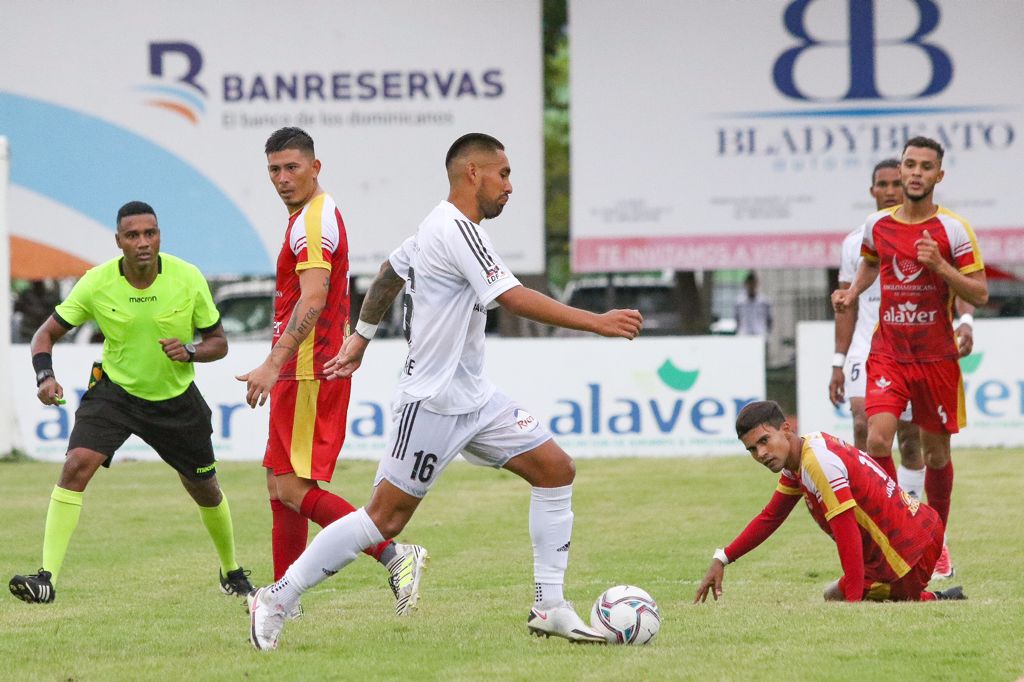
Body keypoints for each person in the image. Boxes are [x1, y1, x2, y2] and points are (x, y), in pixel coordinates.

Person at [245, 133, 644, 650]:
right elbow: (510, 296)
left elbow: (389, 273)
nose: (509, 186)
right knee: (384, 518)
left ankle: (550, 605)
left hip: (476, 399)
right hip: (431, 401)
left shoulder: (439, 226)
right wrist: (597, 322)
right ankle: (276, 598)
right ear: (472, 173)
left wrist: (362, 337)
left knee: (555, 470)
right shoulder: (455, 228)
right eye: (502, 174)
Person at [10, 201, 253, 603]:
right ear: (118, 241)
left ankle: (231, 571)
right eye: (133, 235)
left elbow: (219, 343)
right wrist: (45, 375)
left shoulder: (188, 278)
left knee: (205, 489)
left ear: (160, 236)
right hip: (115, 393)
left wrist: (191, 351)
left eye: (150, 233)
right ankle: (45, 578)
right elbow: (44, 335)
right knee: (75, 466)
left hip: (176, 400)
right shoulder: (96, 282)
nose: (144, 242)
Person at [236, 127, 427, 617]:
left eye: (292, 167)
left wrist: (273, 364)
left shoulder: (313, 223)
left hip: (305, 372)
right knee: (279, 487)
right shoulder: (308, 216)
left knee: (297, 489)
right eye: (274, 170)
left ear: (315, 167)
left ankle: (393, 554)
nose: (282, 178)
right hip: (300, 371)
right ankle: (283, 598)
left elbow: (314, 298)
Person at [832, 136, 988, 581]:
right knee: (876, 439)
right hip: (889, 354)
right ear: (900, 172)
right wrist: (852, 293)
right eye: (909, 164)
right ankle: (895, 533)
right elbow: (868, 262)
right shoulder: (876, 225)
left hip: (936, 357)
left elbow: (979, 291)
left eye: (925, 166)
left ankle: (934, 544)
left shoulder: (953, 230)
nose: (916, 172)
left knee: (935, 455)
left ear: (939, 175)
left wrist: (940, 267)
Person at [693, 401, 965, 604]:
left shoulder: (816, 463)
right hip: (920, 531)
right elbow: (771, 517)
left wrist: (853, 603)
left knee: (837, 596)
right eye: (752, 449)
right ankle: (929, 596)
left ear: (786, 429)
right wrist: (723, 558)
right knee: (835, 592)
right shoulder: (803, 453)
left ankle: (928, 598)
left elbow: (847, 533)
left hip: (909, 552)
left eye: (764, 441)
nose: (761, 453)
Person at [735, 272, 772, 336]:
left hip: (760, 334)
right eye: (749, 284)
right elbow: (737, 319)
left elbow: (769, 320)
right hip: (744, 335)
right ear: (745, 285)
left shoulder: (764, 301)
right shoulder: (739, 302)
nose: (751, 286)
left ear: (757, 284)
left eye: (753, 283)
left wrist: (766, 332)